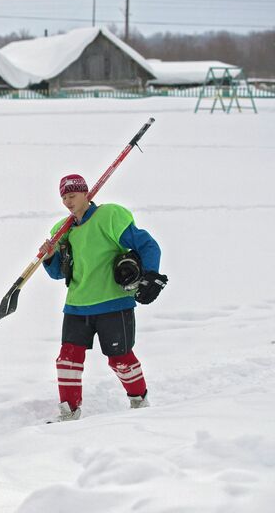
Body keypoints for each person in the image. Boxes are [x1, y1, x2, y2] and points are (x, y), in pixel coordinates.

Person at [41, 174, 168, 422]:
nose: (68, 201)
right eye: (64, 197)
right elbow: (58, 273)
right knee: (67, 360)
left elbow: (149, 245)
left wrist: (151, 275)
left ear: (86, 194)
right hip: (77, 305)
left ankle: (139, 401)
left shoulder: (109, 217)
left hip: (113, 302)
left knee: (120, 359)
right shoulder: (63, 231)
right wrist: (50, 256)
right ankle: (69, 411)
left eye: (73, 195)